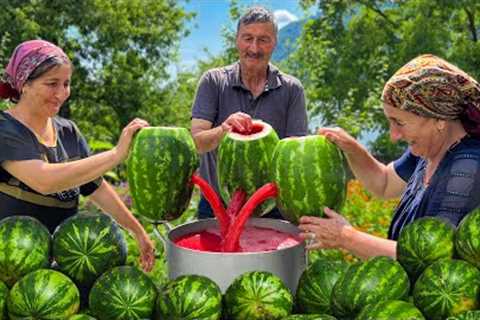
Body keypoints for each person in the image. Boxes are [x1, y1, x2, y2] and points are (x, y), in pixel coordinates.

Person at [298, 54, 480, 259]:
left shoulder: (467, 170)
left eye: (399, 122)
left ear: (439, 120)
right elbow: (383, 183)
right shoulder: (428, 150)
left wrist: (345, 237)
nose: (393, 136)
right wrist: (352, 148)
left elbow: (430, 261)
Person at [0, 40, 154, 271]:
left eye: (66, 84)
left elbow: (96, 188)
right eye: (52, 84)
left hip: (64, 264)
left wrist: (138, 231)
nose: (62, 94)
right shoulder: (5, 128)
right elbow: (44, 180)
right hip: (11, 265)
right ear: (24, 84)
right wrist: (115, 154)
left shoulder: (68, 131)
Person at [191, 6, 308, 219]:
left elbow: (296, 156)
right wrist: (223, 130)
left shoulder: (292, 89)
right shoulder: (213, 81)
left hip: (273, 211)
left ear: (275, 43)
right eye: (248, 38)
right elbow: (197, 142)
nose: (254, 48)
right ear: (237, 40)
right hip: (216, 209)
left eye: (263, 39)